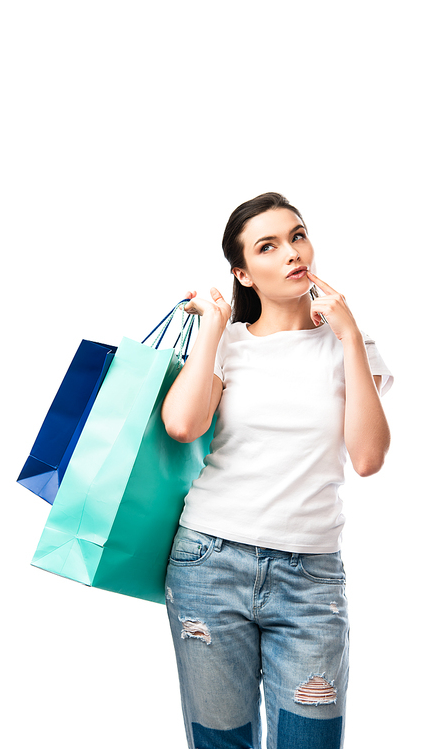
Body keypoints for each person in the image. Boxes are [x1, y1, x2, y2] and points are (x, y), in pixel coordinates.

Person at [161, 192, 393, 749]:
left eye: (297, 235)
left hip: (310, 579)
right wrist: (214, 325)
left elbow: (367, 458)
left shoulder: (350, 346)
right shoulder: (230, 345)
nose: (292, 252)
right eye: (268, 246)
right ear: (243, 273)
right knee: (222, 743)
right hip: (209, 563)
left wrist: (350, 337)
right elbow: (182, 425)